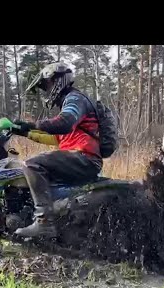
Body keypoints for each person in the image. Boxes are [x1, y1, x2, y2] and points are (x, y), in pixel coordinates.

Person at [12, 62, 102, 238]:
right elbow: (56, 138)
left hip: (83, 157)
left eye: (47, 85)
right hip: (80, 157)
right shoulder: (71, 102)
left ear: (58, 81)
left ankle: (44, 222)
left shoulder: (75, 99)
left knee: (32, 165)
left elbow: (65, 122)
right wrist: (25, 132)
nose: (47, 91)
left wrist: (33, 124)